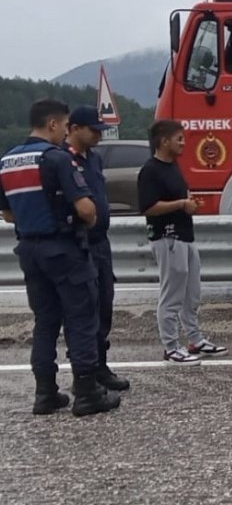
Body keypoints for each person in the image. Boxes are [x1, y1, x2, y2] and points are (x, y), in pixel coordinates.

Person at [0, 99, 120, 416]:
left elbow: (8, 214)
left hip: (29, 249)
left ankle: (45, 393)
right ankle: (86, 392)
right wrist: (87, 218)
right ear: (53, 124)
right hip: (64, 249)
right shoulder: (55, 159)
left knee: (45, 322)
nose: (66, 131)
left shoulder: (8, 161)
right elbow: (86, 208)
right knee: (81, 319)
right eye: (65, 125)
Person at [140, 119, 227, 365]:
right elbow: (148, 207)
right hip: (168, 237)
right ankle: (170, 346)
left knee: (192, 293)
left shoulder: (173, 166)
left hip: (186, 235)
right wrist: (180, 205)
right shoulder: (151, 170)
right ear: (164, 141)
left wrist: (188, 203)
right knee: (172, 294)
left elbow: (178, 197)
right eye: (179, 139)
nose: (183, 143)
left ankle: (195, 339)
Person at [65, 105, 130, 392]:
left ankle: (100, 365)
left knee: (104, 304)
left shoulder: (94, 160)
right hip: (80, 244)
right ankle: (85, 373)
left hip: (101, 243)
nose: (99, 137)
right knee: (83, 311)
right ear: (74, 128)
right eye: (94, 131)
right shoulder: (62, 161)